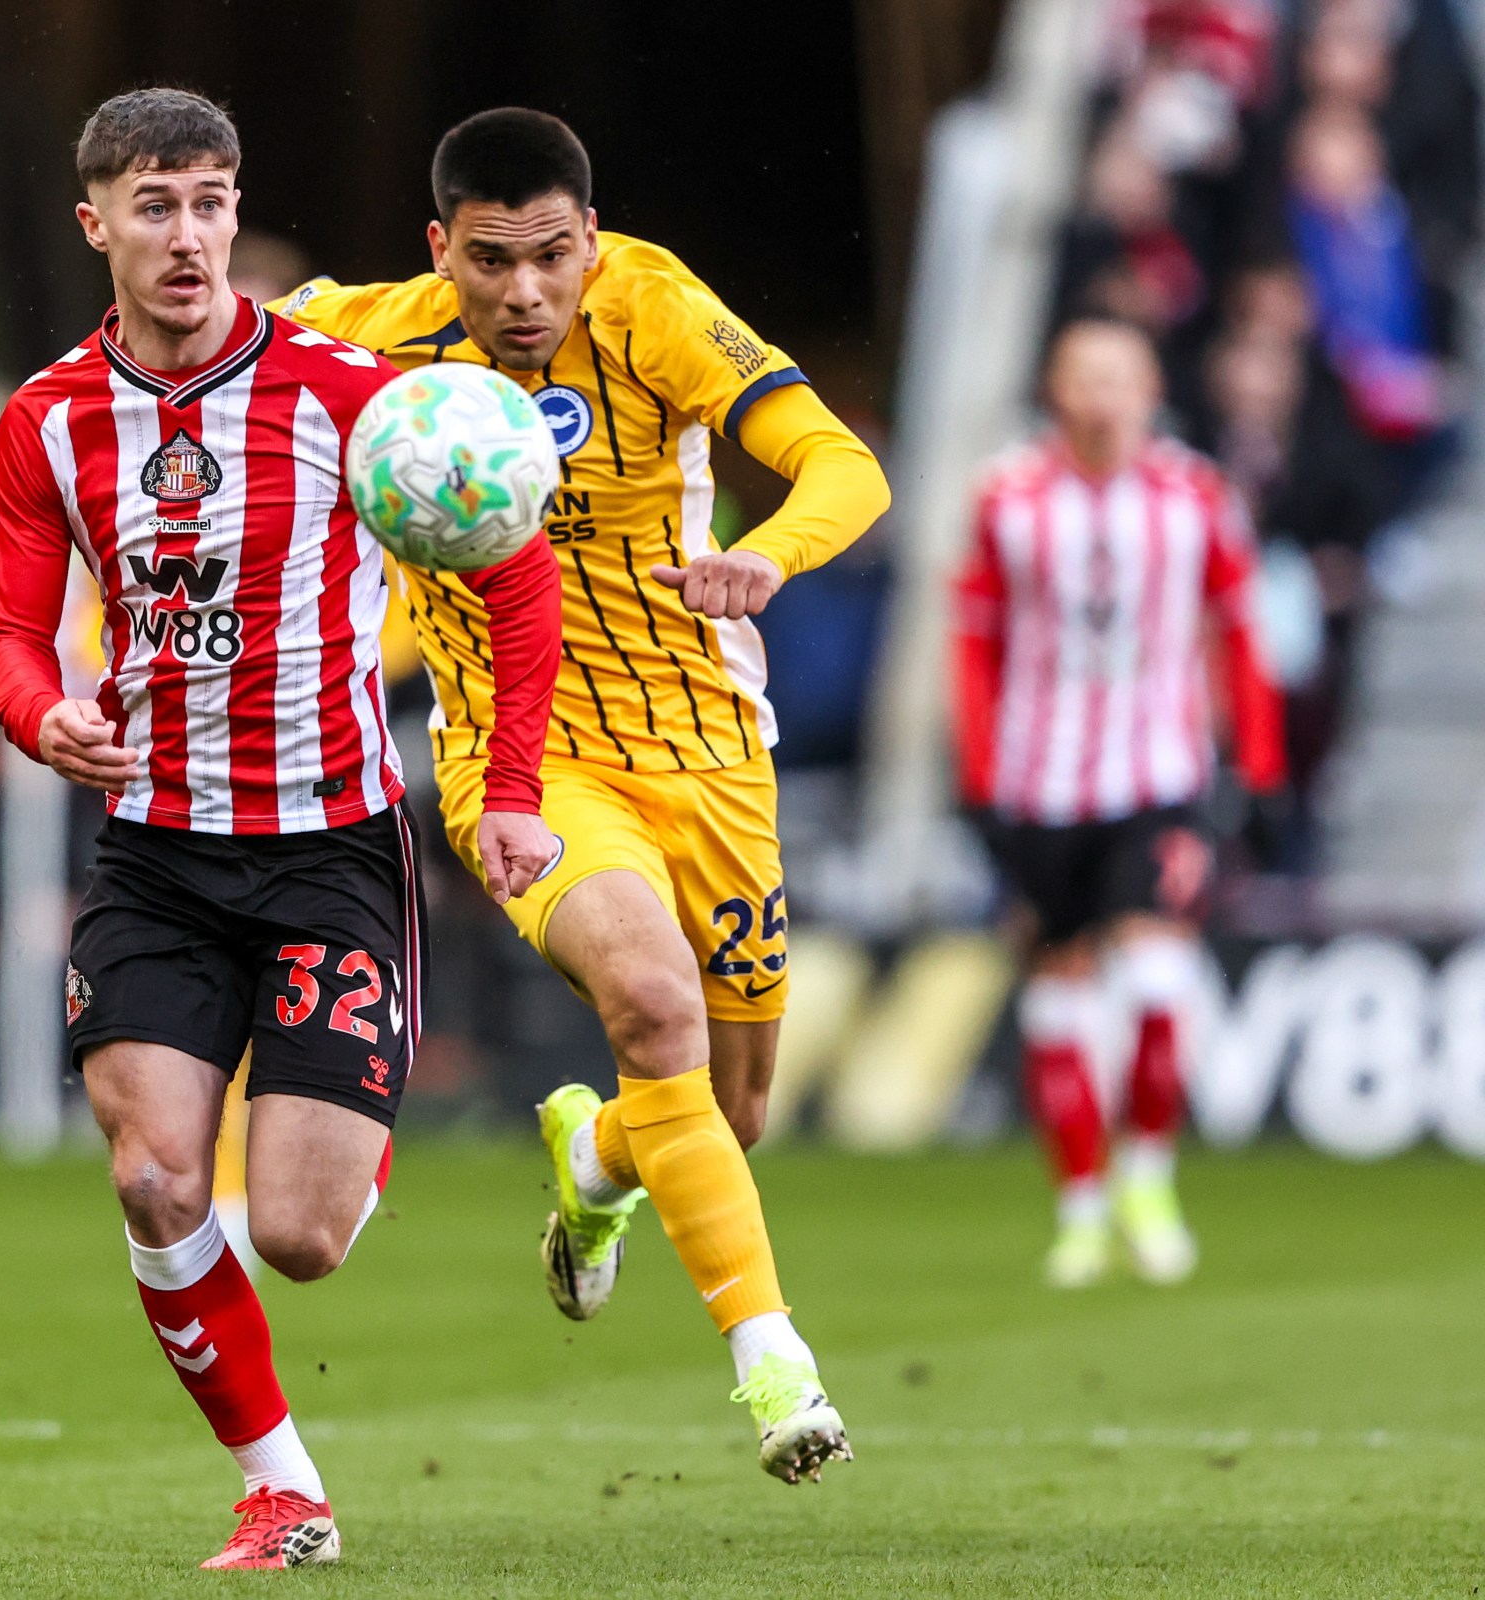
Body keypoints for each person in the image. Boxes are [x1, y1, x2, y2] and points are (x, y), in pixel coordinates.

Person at [0, 89, 562, 1570]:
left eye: (213, 202)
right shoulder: (48, 420)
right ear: (94, 222)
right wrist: (42, 716)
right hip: (156, 855)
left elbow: (517, 575)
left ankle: (345, 1132)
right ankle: (282, 1486)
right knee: (156, 1175)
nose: (189, 237)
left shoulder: (347, 395)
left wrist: (505, 792)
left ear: (238, 211)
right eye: (156, 206)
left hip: (329, 851)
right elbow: (10, 632)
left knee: (298, 1237)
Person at [284, 108, 888, 1484]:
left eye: (552, 256)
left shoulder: (655, 307)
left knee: (722, 1113)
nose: (524, 293)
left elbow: (847, 466)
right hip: (523, 758)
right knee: (655, 1005)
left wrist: (770, 558)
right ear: (441, 249)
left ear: (590, 239)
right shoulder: (363, 334)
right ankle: (775, 1369)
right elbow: (180, 363)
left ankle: (597, 1159)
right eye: (491, 261)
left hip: (713, 746)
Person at [951, 319, 1286, 1288]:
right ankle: (1081, 1209)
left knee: (1153, 976)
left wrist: (1255, 761)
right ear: (1055, 389)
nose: (1100, 397)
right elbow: (973, 640)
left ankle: (1146, 1174)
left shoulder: (1195, 496)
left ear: (1149, 391)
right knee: (1058, 994)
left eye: (1119, 378)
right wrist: (975, 773)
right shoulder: (1006, 498)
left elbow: (1240, 628)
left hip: (1158, 778)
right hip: (1037, 785)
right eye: (1082, 377)